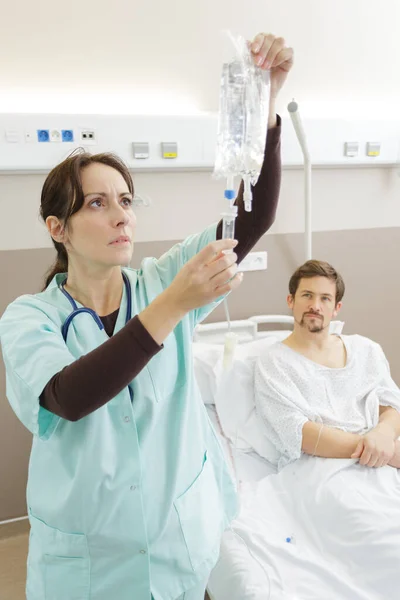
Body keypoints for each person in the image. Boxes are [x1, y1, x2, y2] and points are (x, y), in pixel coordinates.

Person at [0, 33, 293, 600]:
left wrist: (266, 108)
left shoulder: (162, 279)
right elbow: (69, 396)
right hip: (89, 566)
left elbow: (249, 222)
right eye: (97, 203)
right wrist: (173, 307)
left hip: (176, 544)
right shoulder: (28, 318)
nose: (120, 216)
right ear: (56, 228)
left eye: (126, 200)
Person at [255, 259, 400, 471]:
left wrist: (384, 435)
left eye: (325, 298)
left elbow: (392, 405)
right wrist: (383, 452)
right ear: (290, 301)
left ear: (336, 308)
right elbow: (297, 432)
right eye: (307, 295)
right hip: (322, 469)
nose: (315, 305)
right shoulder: (274, 362)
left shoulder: (365, 350)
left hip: (384, 454)